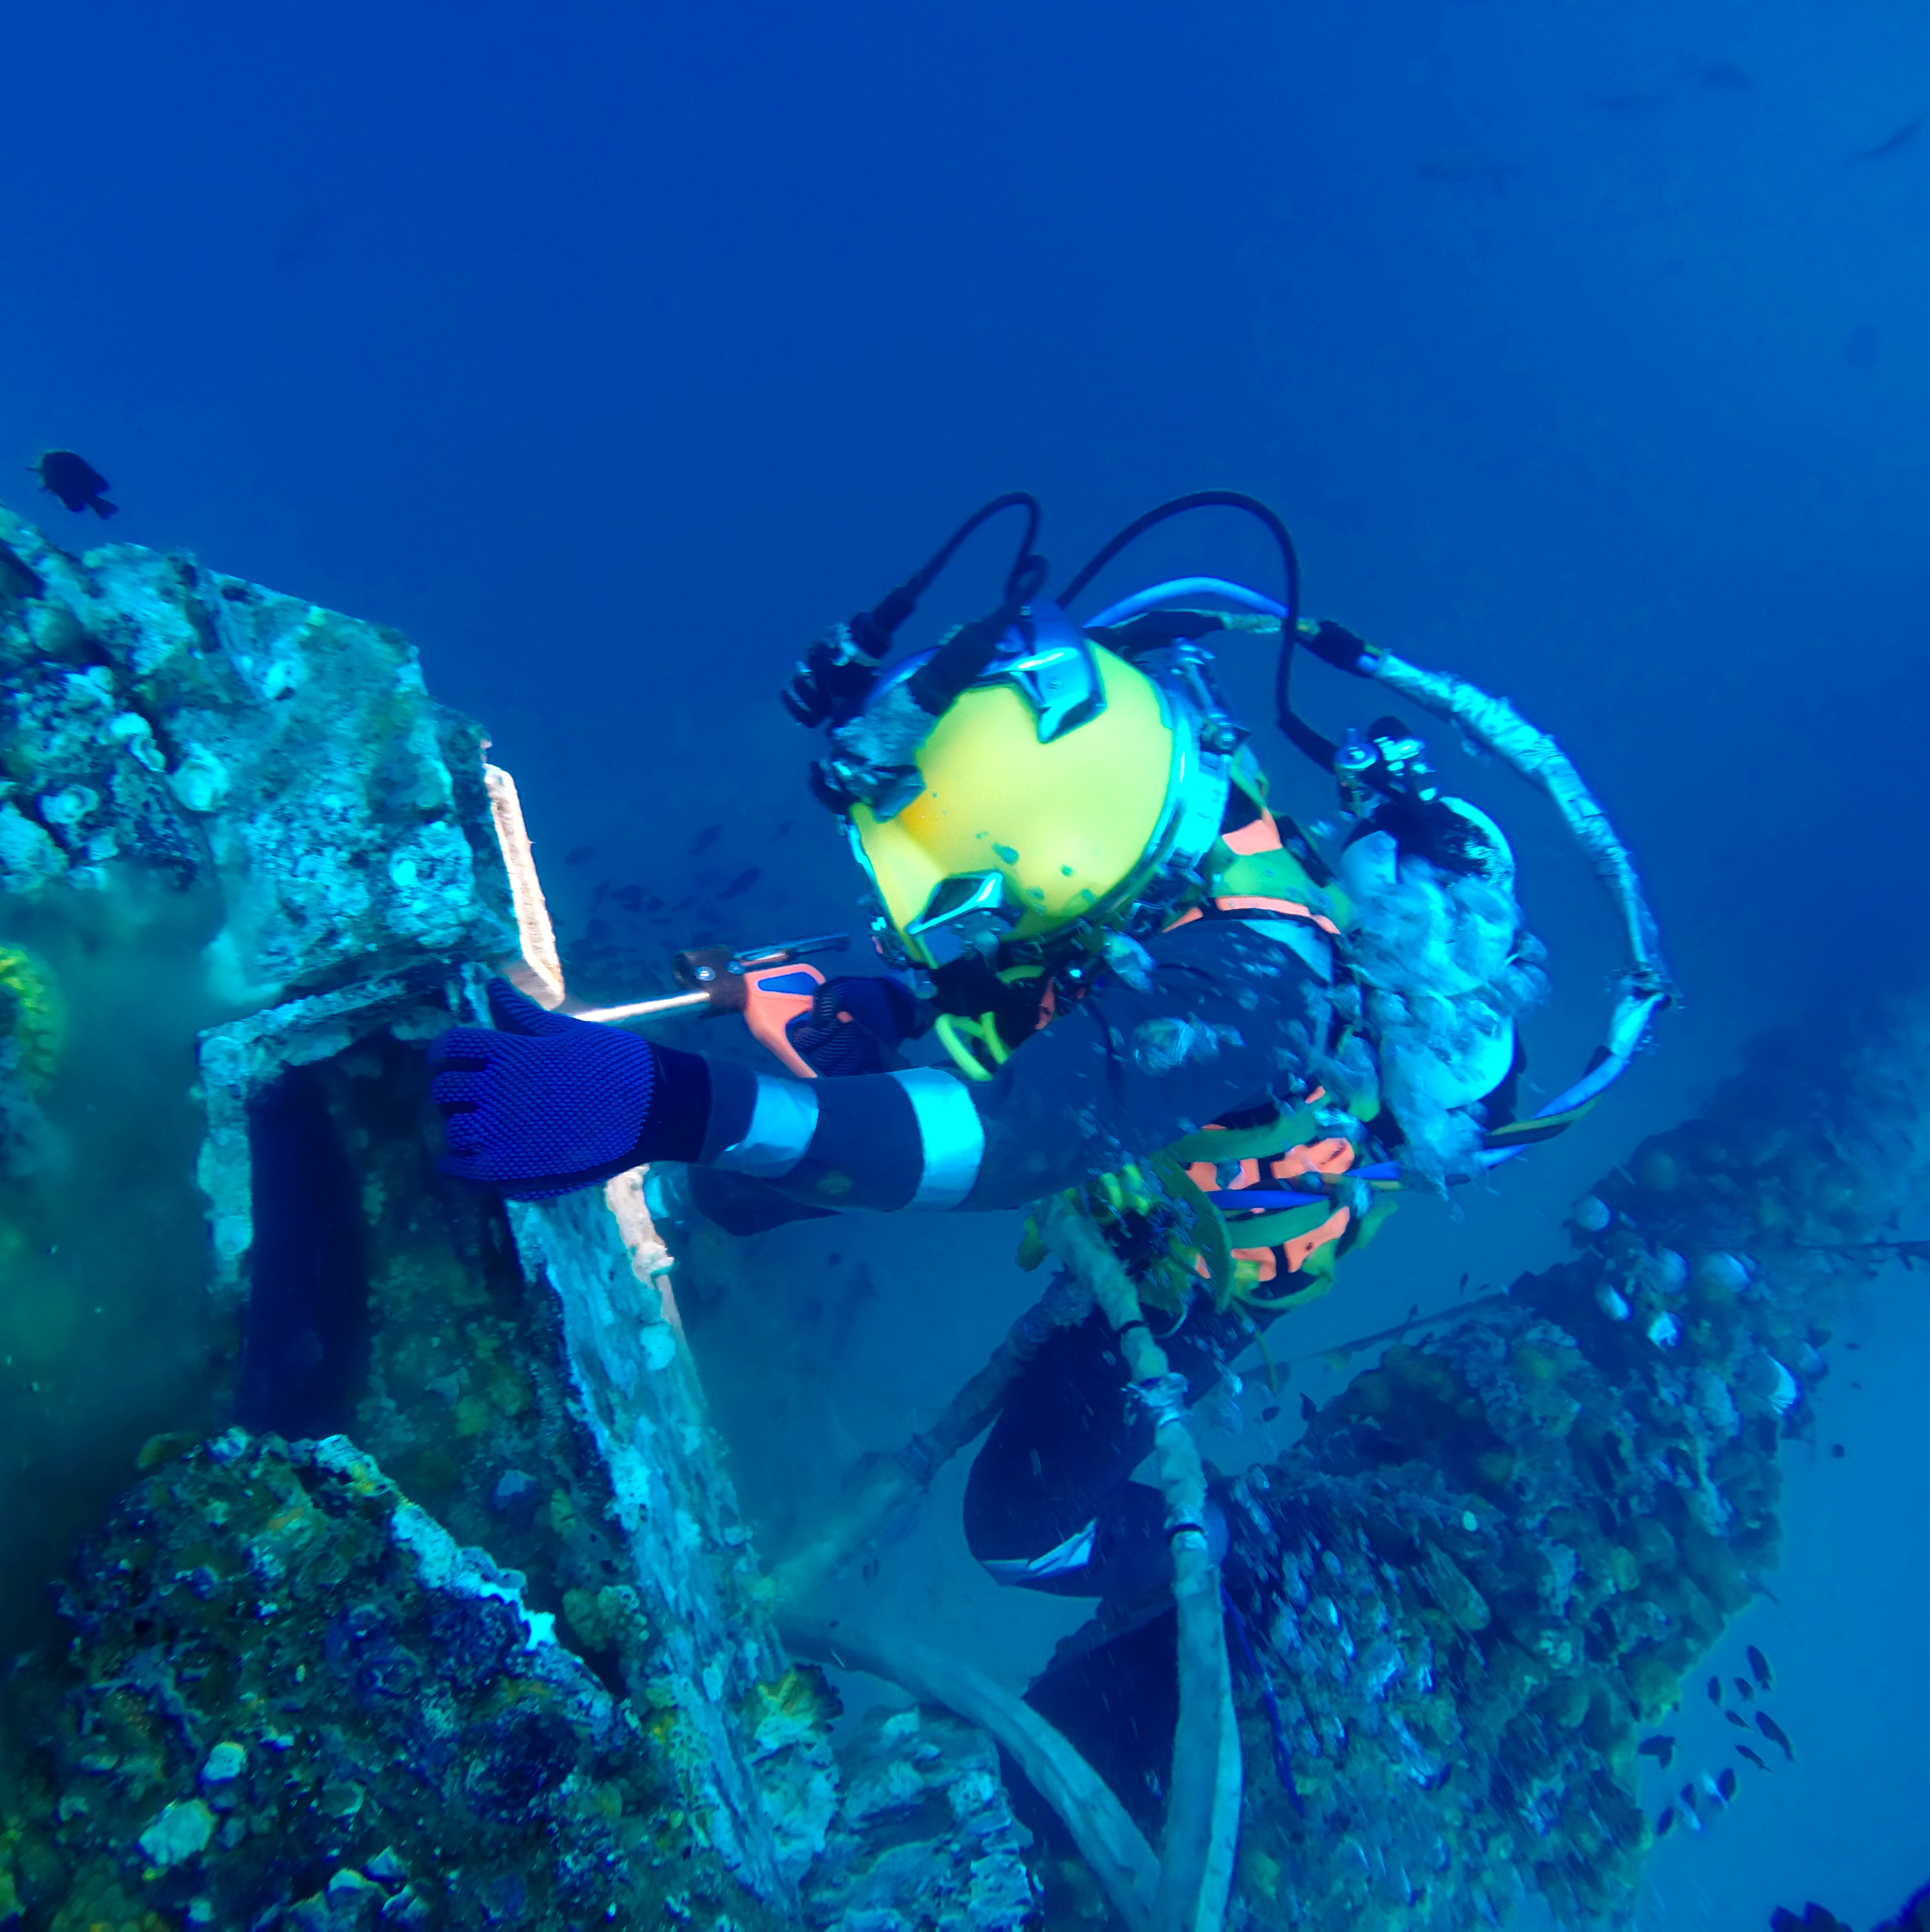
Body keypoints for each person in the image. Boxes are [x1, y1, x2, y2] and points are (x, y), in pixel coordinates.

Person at [431, 490, 1660, 1607]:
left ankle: (1223, 1559)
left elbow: (1009, 1143)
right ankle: (723, 1162)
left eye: (954, 898)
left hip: (1196, 1233)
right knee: (743, 1184)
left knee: (1018, 1532)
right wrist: (876, 1017)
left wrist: (665, 1099)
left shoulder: (1253, 992)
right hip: (1094, 1060)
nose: (917, 925)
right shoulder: (1137, 796)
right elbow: (1021, 968)